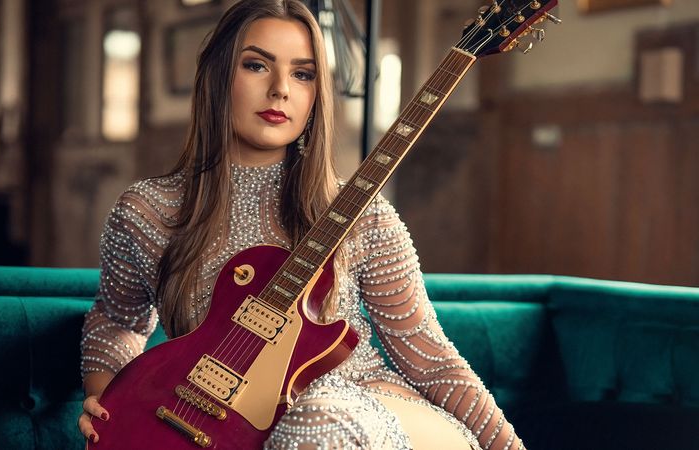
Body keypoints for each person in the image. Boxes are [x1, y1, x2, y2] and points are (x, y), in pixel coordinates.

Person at [78, 0, 524, 448]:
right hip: (227, 428)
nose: (280, 90)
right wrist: (107, 393)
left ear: (316, 94)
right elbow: (117, 319)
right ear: (216, 76)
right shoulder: (146, 211)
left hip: (371, 412)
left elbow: (432, 362)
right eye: (256, 65)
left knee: (314, 421)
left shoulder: (361, 211)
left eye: (303, 74)